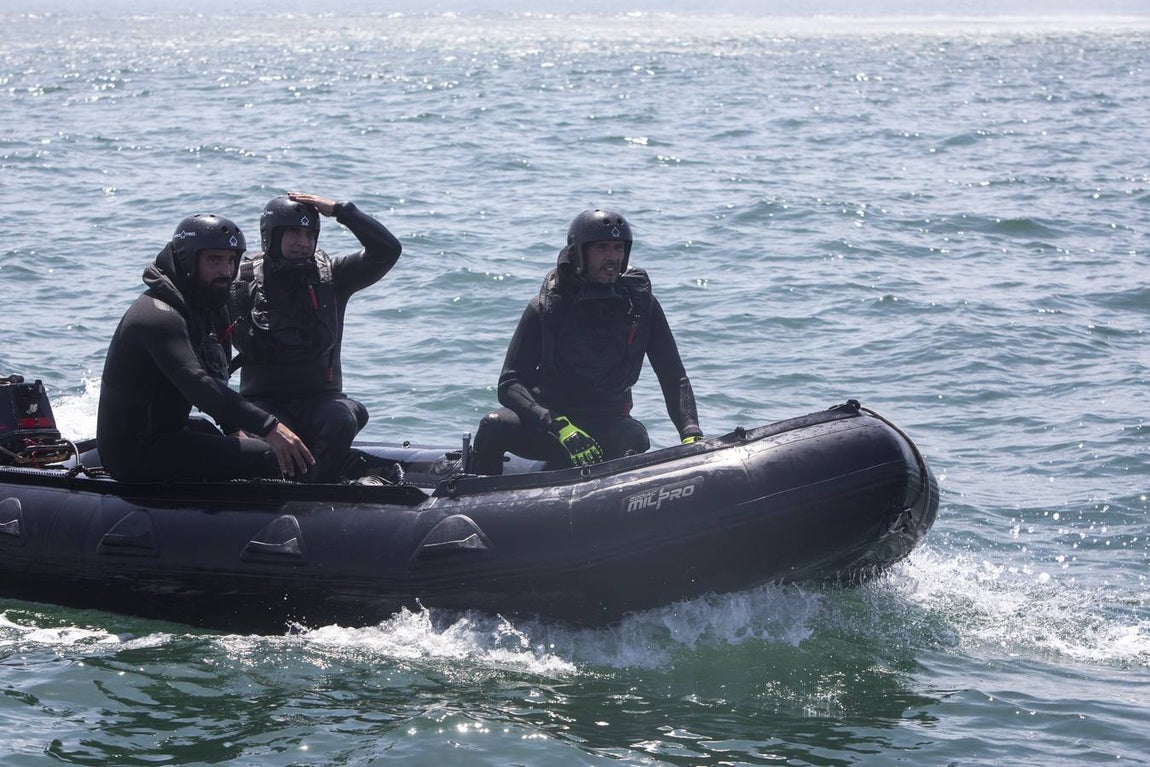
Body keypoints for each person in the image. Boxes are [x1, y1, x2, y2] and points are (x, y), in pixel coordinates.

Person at [469, 208, 703, 475]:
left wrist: (690, 432)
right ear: (579, 253)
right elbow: (509, 384)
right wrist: (557, 424)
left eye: (618, 248)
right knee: (492, 426)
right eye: (602, 248)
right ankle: (471, 501)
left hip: (607, 424)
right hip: (552, 426)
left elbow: (673, 376)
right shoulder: (546, 307)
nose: (612, 257)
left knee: (634, 437)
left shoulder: (640, 305)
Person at [97, 214, 314, 483]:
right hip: (133, 452)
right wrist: (270, 427)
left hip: (168, 432)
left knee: (220, 435)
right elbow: (200, 386)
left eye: (231, 260)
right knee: (267, 455)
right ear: (188, 261)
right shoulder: (158, 316)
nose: (225, 270)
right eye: (214, 260)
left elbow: (216, 375)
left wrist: (234, 428)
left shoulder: (207, 304)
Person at [228, 192, 403, 483]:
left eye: (309, 234)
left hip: (322, 401)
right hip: (263, 403)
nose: (302, 242)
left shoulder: (334, 277)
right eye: (294, 233)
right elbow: (213, 360)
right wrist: (231, 424)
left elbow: (387, 251)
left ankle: (320, 493)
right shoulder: (240, 284)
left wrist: (342, 210)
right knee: (264, 442)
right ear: (271, 235)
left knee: (341, 419)